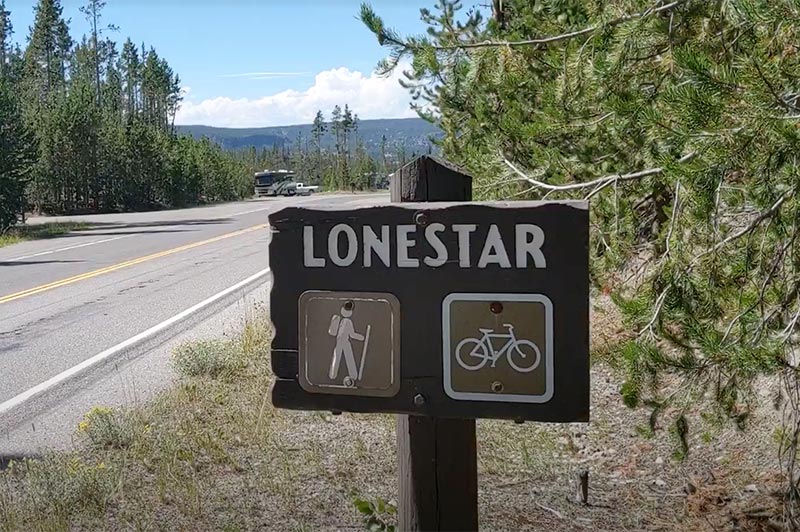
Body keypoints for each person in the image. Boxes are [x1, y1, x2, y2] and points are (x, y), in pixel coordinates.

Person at [329, 304, 364, 382]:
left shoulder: (347, 321)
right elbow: (351, 334)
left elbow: (351, 334)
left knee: (346, 357)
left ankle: (352, 375)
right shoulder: (341, 320)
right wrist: (361, 337)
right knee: (341, 357)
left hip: (343, 341)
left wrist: (360, 337)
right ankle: (333, 375)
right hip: (341, 342)